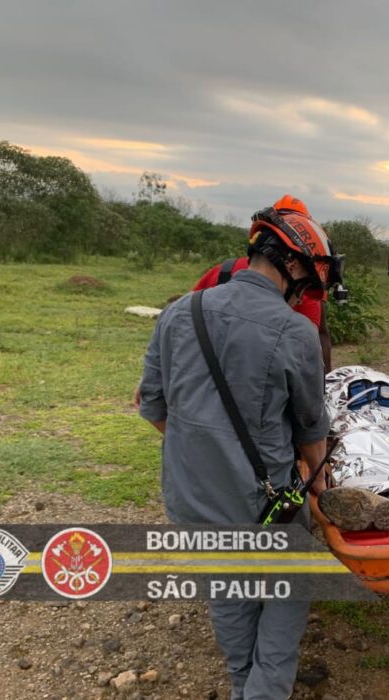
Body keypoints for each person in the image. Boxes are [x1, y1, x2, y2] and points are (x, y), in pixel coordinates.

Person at [137, 196, 340, 700]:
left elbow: (154, 407)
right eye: (307, 284)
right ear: (292, 264)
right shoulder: (296, 330)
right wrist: (323, 488)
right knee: (287, 594)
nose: (304, 296)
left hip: (193, 497)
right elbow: (312, 430)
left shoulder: (180, 312)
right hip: (263, 506)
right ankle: (263, 690)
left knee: (229, 591)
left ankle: (240, 683)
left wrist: (206, 450)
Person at [191, 195, 335, 372]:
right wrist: (326, 383)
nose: (299, 300)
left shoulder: (221, 271)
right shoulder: (302, 284)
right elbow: (315, 340)